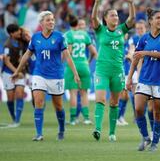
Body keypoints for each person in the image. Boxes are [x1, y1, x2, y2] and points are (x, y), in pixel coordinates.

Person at [11, 11, 80, 141]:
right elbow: (26, 55)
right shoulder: (35, 38)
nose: (51, 22)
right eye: (48, 20)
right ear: (41, 23)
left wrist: (75, 73)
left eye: (53, 19)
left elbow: (67, 56)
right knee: (38, 102)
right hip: (39, 74)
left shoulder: (60, 37)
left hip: (56, 76)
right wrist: (17, 71)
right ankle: (39, 134)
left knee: (58, 106)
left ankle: (61, 129)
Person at [91, 0, 135, 142]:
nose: (115, 17)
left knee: (114, 102)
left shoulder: (122, 30)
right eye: (112, 15)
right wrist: (97, 2)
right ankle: (97, 129)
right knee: (100, 99)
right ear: (105, 18)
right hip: (102, 70)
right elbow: (93, 18)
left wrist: (130, 3)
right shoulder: (100, 30)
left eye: (116, 15)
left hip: (118, 71)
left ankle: (112, 133)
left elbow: (132, 19)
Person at [126, 8, 160, 152]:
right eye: (158, 18)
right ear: (150, 21)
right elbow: (135, 59)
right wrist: (129, 78)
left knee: (157, 113)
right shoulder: (144, 38)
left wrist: (144, 53)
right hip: (144, 79)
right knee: (139, 109)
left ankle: (155, 143)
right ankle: (146, 137)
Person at [64, 15, 97, 125]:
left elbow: (69, 52)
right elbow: (94, 52)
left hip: (73, 65)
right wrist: (88, 61)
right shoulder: (85, 35)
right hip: (84, 65)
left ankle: (73, 119)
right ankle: (86, 118)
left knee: (73, 93)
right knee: (84, 94)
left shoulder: (68, 35)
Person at [2, 24, 29, 127]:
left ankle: (17, 120)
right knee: (10, 98)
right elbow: (7, 61)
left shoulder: (22, 41)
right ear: (11, 34)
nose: (19, 32)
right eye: (17, 31)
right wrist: (16, 72)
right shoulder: (7, 45)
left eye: (19, 30)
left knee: (19, 93)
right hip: (8, 73)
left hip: (20, 73)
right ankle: (14, 118)